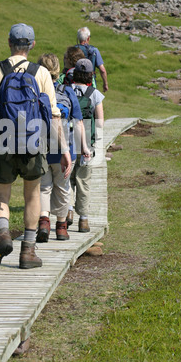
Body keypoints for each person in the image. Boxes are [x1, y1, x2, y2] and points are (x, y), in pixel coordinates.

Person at [0, 23, 72, 270]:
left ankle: (4, 234)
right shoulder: (40, 73)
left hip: (1, 142)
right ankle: (28, 252)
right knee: (31, 195)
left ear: (9, 42)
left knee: (1, 195)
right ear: (32, 45)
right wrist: (65, 150)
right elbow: (54, 115)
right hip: (32, 144)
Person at [36, 53, 90, 243]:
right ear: (58, 72)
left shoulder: (34, 92)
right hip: (64, 148)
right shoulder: (66, 92)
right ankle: (61, 228)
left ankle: (43, 221)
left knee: (44, 187)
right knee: (63, 187)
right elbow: (79, 122)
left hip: (41, 148)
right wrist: (84, 147)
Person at [70, 58, 104, 232]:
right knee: (83, 181)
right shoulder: (94, 94)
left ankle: (67, 212)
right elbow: (99, 123)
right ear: (91, 75)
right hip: (86, 145)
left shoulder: (66, 90)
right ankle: (83, 220)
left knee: (67, 179)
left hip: (67, 141)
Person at [76, 26, 109, 92]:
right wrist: (105, 84)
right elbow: (102, 70)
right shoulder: (94, 50)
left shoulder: (73, 50)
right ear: (88, 38)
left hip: (75, 82)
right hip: (90, 82)